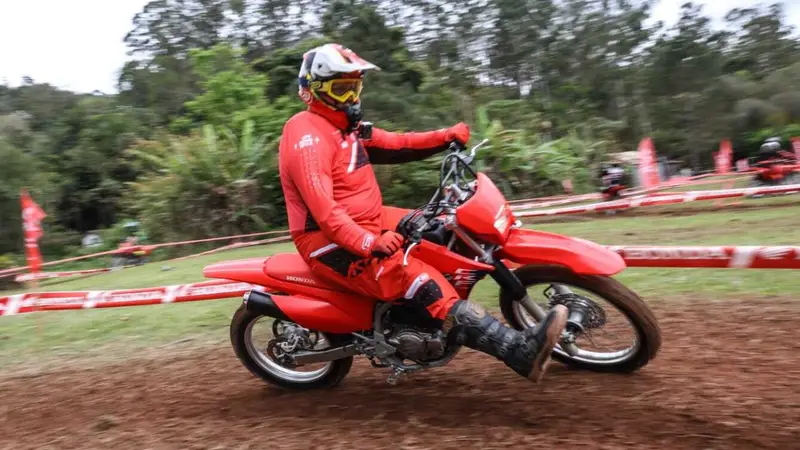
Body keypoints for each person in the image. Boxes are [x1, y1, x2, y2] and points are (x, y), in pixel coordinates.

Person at [278, 43, 568, 383]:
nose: (351, 98)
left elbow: (397, 144)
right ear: (313, 91)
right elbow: (325, 212)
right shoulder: (306, 138)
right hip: (327, 240)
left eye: (355, 87)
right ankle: (519, 352)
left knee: (441, 229)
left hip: (369, 218)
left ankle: (419, 317)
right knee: (421, 280)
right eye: (341, 89)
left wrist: (445, 136)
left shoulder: (346, 127)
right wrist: (369, 242)